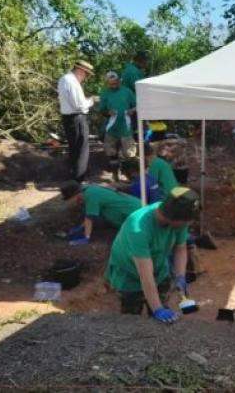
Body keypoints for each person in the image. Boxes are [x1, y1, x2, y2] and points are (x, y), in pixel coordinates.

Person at [104, 187, 200, 322]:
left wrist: (180, 276)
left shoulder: (179, 221)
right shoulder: (138, 229)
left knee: (160, 320)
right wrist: (157, 309)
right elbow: (146, 276)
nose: (188, 224)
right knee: (131, 320)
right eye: (186, 222)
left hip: (159, 270)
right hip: (129, 276)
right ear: (174, 218)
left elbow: (180, 248)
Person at [60, 181, 142, 246]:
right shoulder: (89, 190)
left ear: (75, 195)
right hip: (133, 209)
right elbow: (89, 214)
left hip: (134, 212)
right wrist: (80, 228)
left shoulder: (90, 195)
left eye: (70, 199)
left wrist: (86, 237)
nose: (72, 202)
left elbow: (89, 217)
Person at [57, 60, 99, 182]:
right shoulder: (72, 82)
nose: (86, 77)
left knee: (74, 148)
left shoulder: (63, 79)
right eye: (86, 74)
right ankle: (79, 180)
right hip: (77, 118)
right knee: (81, 150)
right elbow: (79, 105)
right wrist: (91, 100)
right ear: (81, 71)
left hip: (68, 118)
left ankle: (73, 177)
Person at [98, 71, 137, 180]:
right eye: (111, 84)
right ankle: (115, 175)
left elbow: (136, 106)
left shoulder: (127, 91)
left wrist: (132, 111)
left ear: (119, 81)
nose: (114, 85)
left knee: (129, 154)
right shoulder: (105, 93)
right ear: (107, 83)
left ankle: (130, 175)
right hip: (111, 128)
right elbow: (102, 110)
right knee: (111, 153)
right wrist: (108, 112)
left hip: (126, 128)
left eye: (116, 83)